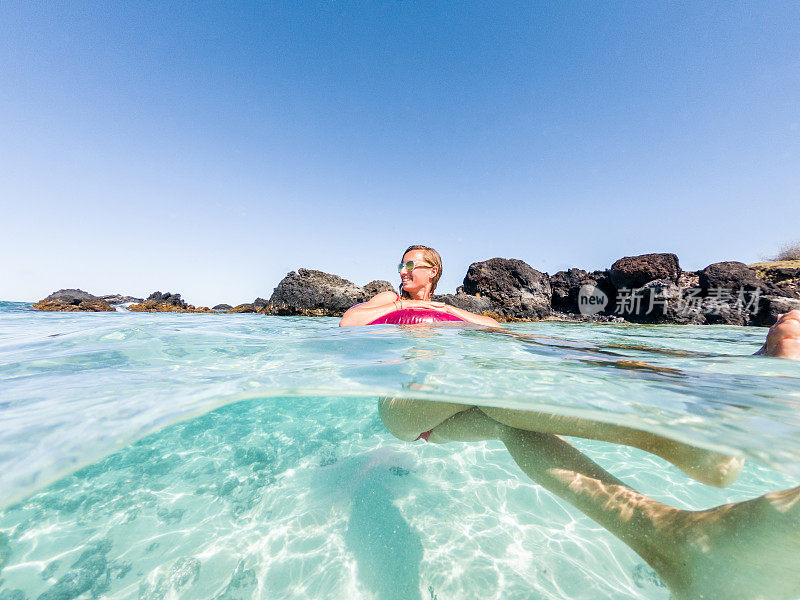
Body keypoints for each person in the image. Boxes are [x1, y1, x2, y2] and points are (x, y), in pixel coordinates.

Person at [341, 245, 800, 598]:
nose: (405, 271)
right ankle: (695, 430)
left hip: (452, 408)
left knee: (512, 420)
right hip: (405, 405)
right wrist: (429, 314)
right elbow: (350, 325)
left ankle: (670, 536)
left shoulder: (450, 309)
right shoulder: (388, 297)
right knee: (491, 386)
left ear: (433, 273)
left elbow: (495, 330)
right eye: (403, 263)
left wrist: (446, 317)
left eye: (415, 264)